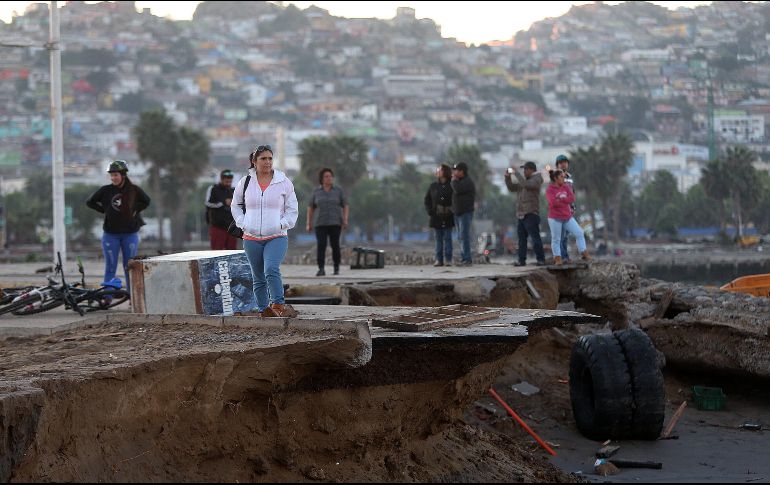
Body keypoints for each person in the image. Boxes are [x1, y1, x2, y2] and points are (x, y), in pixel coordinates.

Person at [232, 145, 299, 317]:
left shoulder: (283, 182)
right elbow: (236, 205)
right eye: (263, 159)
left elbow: (292, 209)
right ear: (254, 162)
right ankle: (264, 310)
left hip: (276, 236)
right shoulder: (245, 182)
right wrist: (243, 223)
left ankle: (278, 305)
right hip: (250, 237)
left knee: (271, 269)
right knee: (258, 276)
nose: (267, 162)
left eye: (270, 158)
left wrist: (282, 224)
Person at [86, 160, 150, 292]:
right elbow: (90, 202)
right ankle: (108, 296)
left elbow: (146, 201)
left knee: (130, 266)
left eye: (116, 175)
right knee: (110, 266)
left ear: (123, 175)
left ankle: (132, 297)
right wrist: (103, 210)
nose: (113, 178)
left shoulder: (134, 190)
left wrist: (135, 209)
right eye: (112, 175)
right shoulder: (105, 190)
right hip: (110, 235)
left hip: (130, 234)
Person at [307, 167, 349, 276]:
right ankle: (321, 268)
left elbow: (345, 205)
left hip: (335, 222)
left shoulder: (338, 191)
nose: (329, 178)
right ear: (322, 178)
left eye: (330, 176)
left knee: (335, 245)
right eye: (326, 176)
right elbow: (311, 207)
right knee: (321, 246)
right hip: (320, 223)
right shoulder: (316, 192)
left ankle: (336, 267)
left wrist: (345, 220)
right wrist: (309, 223)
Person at [546, 169, 590, 266]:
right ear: (555, 178)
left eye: (564, 177)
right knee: (556, 239)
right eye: (561, 177)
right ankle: (557, 258)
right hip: (555, 217)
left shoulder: (566, 187)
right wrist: (564, 200)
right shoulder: (550, 189)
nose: (564, 179)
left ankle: (584, 253)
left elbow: (572, 198)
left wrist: (560, 199)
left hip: (567, 216)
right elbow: (553, 203)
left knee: (579, 232)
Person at [505, 161, 546, 266]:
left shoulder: (537, 179)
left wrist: (516, 173)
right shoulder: (524, 181)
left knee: (535, 237)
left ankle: (541, 259)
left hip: (531, 213)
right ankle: (521, 260)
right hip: (521, 214)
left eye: (526, 169)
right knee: (522, 239)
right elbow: (511, 188)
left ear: (532, 170)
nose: (524, 171)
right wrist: (507, 177)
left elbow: (527, 185)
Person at [424, 163, 454, 267]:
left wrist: (452, 209)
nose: (437, 171)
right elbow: (427, 199)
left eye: (439, 170)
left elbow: (456, 199)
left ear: (445, 172)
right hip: (436, 217)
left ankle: (448, 260)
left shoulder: (452, 185)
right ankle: (439, 260)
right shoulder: (433, 186)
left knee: (448, 238)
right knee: (438, 239)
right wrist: (430, 211)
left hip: (448, 216)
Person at [205, 169, 237, 250]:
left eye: (230, 181)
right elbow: (208, 204)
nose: (228, 183)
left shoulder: (234, 190)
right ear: (221, 179)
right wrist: (223, 203)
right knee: (217, 252)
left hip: (232, 228)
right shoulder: (213, 189)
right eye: (226, 181)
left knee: (232, 253)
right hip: (217, 227)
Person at [451, 162, 476, 266]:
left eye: (456, 170)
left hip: (465, 213)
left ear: (462, 171)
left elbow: (457, 189)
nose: (454, 172)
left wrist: (453, 180)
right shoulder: (458, 181)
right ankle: (463, 258)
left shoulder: (467, 182)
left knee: (464, 236)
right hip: (457, 213)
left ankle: (467, 259)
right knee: (460, 237)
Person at [555, 154, 574, 262]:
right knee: (560, 236)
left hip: (568, 211)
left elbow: (572, 193)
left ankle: (564, 256)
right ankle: (563, 257)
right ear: (557, 165)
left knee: (565, 235)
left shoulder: (569, 178)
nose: (563, 164)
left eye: (565, 162)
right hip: (559, 211)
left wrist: (573, 208)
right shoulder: (555, 177)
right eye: (561, 163)